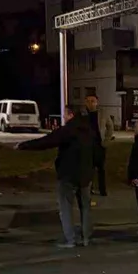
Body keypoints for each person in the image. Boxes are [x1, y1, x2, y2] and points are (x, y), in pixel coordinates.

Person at [19, 104, 95, 247]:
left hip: (68, 175)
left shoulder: (68, 130)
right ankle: (86, 238)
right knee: (85, 207)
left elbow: (47, 141)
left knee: (66, 208)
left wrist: (24, 146)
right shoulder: (89, 131)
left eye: (65, 114)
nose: (64, 116)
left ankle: (70, 239)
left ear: (71, 114)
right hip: (86, 174)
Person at [82, 94, 114, 197]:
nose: (90, 103)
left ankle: (102, 190)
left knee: (101, 169)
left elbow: (110, 127)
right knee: (88, 168)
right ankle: (88, 189)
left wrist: (107, 140)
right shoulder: (82, 114)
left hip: (100, 145)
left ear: (97, 102)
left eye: (92, 101)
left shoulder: (103, 113)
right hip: (86, 146)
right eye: (88, 101)